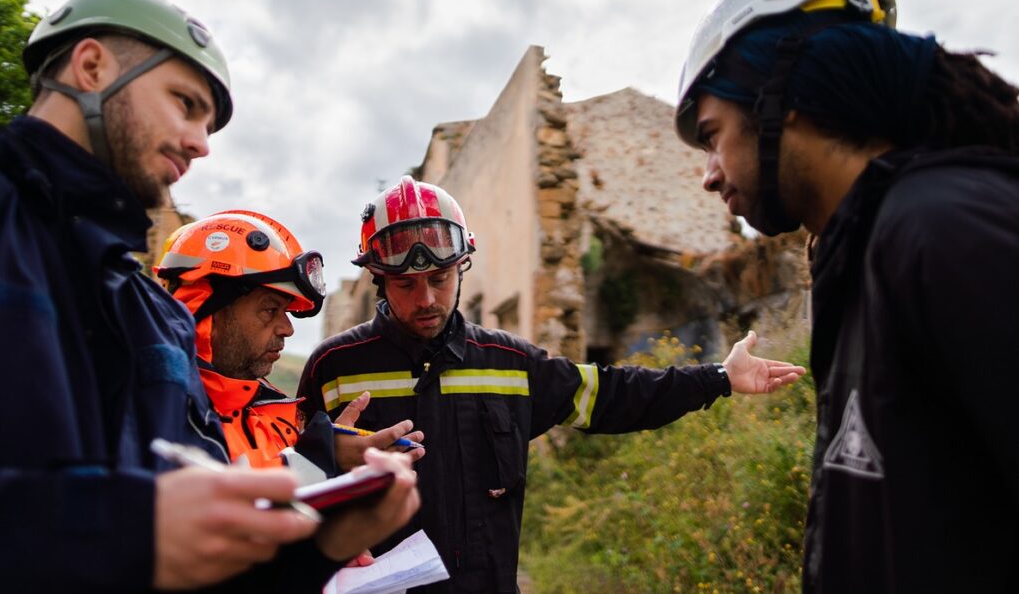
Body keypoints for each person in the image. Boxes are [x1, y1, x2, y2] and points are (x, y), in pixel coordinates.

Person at [0, 0, 417, 592]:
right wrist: (118, 529)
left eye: (208, 124)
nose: (201, 144)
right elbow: (137, 532)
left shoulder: (155, 319)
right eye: (185, 103)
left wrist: (322, 542)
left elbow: (190, 558)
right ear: (91, 65)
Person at [674, 0, 1019, 592]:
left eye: (712, 137)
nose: (710, 174)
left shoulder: (942, 230)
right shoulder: (866, 252)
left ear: (786, 104)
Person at [296, 176, 805, 593]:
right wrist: (324, 462)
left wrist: (718, 378)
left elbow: (615, 394)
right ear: (378, 280)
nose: (426, 298)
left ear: (462, 267)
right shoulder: (334, 367)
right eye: (406, 284)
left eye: (441, 279)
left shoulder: (509, 362)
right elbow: (278, 478)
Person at [155, 210, 328, 468]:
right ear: (206, 314)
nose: (287, 329)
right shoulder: (155, 409)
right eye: (271, 310)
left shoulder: (276, 416)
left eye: (286, 311)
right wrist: (320, 459)